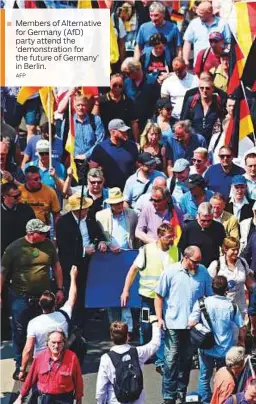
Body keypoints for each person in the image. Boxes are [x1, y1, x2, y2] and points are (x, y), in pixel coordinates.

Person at [1, 218, 64, 379]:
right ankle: (19, 365)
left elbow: (56, 266)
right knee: (20, 331)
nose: (45, 234)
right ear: (31, 233)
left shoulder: (48, 245)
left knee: (46, 331)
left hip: (43, 297)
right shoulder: (14, 248)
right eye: (42, 232)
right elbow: (2, 273)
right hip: (20, 297)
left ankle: (45, 363)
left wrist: (59, 288)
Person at [155, 246, 213, 404]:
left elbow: (210, 297)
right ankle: (168, 396)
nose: (197, 264)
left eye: (199, 261)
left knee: (186, 361)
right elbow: (159, 296)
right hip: (173, 324)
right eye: (195, 261)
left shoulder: (203, 272)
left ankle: (181, 392)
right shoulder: (171, 272)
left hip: (193, 327)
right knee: (170, 360)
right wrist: (159, 318)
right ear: (185, 258)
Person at [121, 223, 179, 373]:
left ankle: (160, 358)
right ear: (159, 237)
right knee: (146, 324)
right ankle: (145, 351)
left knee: (162, 326)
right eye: (168, 237)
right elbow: (132, 270)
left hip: (166, 298)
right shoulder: (147, 251)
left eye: (172, 236)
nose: (171, 239)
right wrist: (125, 290)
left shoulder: (175, 250)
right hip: (147, 297)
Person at [188, 276, 245, 404]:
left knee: (204, 377)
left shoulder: (202, 302)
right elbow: (242, 327)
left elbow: (191, 322)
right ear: (226, 289)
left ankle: (205, 401)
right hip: (225, 350)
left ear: (212, 288)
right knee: (224, 377)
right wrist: (241, 342)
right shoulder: (231, 306)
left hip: (206, 348)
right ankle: (222, 400)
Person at [18, 265, 78, 381]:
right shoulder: (63, 315)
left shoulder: (33, 323)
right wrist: (73, 277)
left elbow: (28, 348)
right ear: (55, 303)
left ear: (40, 305)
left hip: (41, 363)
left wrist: (22, 369)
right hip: (62, 360)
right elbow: (72, 297)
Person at [56, 193, 107, 327]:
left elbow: (97, 233)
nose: (87, 210)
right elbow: (64, 248)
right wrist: (84, 251)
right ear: (75, 210)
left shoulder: (89, 218)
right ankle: (72, 324)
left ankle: (84, 323)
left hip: (89, 263)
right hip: (72, 264)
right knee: (73, 294)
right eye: (84, 208)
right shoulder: (63, 223)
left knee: (85, 292)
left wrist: (101, 241)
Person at [96, 187, 138, 335]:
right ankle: (114, 327)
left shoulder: (132, 214)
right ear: (110, 204)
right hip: (109, 259)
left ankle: (129, 329)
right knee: (111, 295)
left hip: (127, 257)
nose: (119, 206)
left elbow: (135, 235)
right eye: (116, 203)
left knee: (127, 293)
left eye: (121, 202)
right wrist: (106, 244)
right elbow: (98, 237)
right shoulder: (100, 216)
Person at [96, 318, 161, 404]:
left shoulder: (106, 358)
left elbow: (101, 388)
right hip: (137, 400)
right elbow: (155, 344)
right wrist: (155, 322)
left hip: (115, 400)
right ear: (127, 336)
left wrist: (100, 402)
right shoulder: (138, 353)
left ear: (112, 337)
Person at [14, 330, 83, 404]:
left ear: (64, 343)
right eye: (53, 342)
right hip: (44, 398)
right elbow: (30, 379)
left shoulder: (72, 357)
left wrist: (79, 400)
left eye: (59, 343)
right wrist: (20, 397)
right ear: (47, 343)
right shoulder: (40, 357)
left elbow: (78, 380)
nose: (56, 346)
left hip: (64, 399)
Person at [208, 237, 254, 319]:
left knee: (240, 330)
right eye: (233, 249)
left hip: (240, 307)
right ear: (225, 249)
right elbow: (208, 286)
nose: (236, 252)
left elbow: (250, 284)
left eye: (237, 249)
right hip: (222, 308)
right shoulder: (216, 265)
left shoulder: (243, 262)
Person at [90, 118, 138, 190]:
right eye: (122, 131)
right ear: (112, 132)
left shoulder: (132, 146)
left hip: (128, 189)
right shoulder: (100, 148)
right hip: (108, 190)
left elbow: (137, 166)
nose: (125, 133)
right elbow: (93, 170)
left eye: (126, 131)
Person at [93, 73, 139, 142]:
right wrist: (97, 103)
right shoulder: (102, 100)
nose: (117, 88)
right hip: (106, 139)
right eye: (114, 85)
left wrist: (136, 141)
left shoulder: (128, 101)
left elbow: (134, 123)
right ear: (110, 85)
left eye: (120, 86)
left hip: (123, 138)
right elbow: (94, 118)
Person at [183, 1, 231, 67]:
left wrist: (226, 61)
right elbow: (187, 42)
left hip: (218, 66)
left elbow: (228, 44)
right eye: (198, 12)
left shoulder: (222, 24)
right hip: (199, 66)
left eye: (201, 13)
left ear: (209, 13)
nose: (198, 14)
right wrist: (185, 59)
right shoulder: (193, 23)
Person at [181, 75, 225, 145]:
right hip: (194, 141)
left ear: (212, 89)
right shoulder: (192, 101)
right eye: (202, 88)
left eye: (207, 88)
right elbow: (184, 121)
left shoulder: (218, 102)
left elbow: (224, 121)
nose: (204, 91)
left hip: (212, 141)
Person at [179, 202, 226, 267]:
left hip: (212, 266)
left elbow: (224, 246)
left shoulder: (218, 227)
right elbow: (182, 248)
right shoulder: (189, 228)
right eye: (203, 220)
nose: (206, 223)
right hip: (193, 265)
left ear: (212, 216)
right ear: (198, 215)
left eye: (209, 220)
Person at [121, 57, 161, 131]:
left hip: (148, 122)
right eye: (125, 73)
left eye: (128, 73)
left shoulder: (152, 82)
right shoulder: (126, 82)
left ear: (137, 69)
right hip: (131, 123)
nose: (126, 75)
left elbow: (158, 101)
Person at [161, 57, 199, 122]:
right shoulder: (168, 82)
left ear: (185, 68)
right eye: (176, 71)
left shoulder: (195, 80)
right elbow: (164, 100)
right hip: (174, 117)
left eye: (180, 70)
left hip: (191, 117)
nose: (178, 73)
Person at [1, 182, 35, 254]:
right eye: (15, 196)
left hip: (23, 252)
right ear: (5, 196)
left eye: (19, 194)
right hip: (3, 254)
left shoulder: (27, 210)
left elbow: (33, 230)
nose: (19, 198)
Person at [73, 94, 105, 161]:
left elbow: (100, 141)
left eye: (83, 105)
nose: (80, 108)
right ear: (74, 106)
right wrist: (76, 156)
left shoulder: (95, 120)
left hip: (92, 160)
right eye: (78, 105)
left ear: (87, 106)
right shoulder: (69, 122)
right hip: (74, 160)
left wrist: (86, 155)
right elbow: (64, 142)